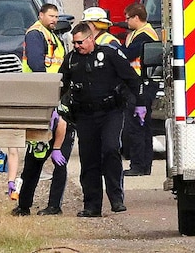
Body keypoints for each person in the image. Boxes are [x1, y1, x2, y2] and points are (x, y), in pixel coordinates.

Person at [59, 23, 143, 217]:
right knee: (89, 159)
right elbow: (61, 85)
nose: (77, 46)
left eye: (80, 42)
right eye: (74, 42)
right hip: (85, 115)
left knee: (111, 149)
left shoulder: (109, 54)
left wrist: (140, 104)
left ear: (91, 39)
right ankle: (92, 205)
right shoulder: (71, 59)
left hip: (110, 112)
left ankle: (116, 198)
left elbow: (132, 79)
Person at [9, 3, 74, 215]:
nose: (55, 19)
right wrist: (48, 101)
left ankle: (53, 205)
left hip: (56, 97)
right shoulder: (36, 34)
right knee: (35, 156)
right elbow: (38, 66)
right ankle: (24, 204)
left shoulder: (51, 35)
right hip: (41, 100)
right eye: (51, 16)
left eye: (57, 16)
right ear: (41, 15)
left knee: (58, 155)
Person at [121, 3, 160, 176]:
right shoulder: (140, 33)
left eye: (128, 18)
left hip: (142, 86)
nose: (126, 21)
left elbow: (128, 54)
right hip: (143, 84)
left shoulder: (144, 36)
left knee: (137, 126)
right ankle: (144, 166)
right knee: (143, 127)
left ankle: (138, 165)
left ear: (136, 18)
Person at [11, 109, 72, 216]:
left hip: (62, 130)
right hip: (40, 132)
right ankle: (23, 206)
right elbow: (13, 152)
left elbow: (62, 124)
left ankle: (54, 206)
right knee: (30, 166)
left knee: (60, 165)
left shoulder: (51, 114)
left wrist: (56, 148)